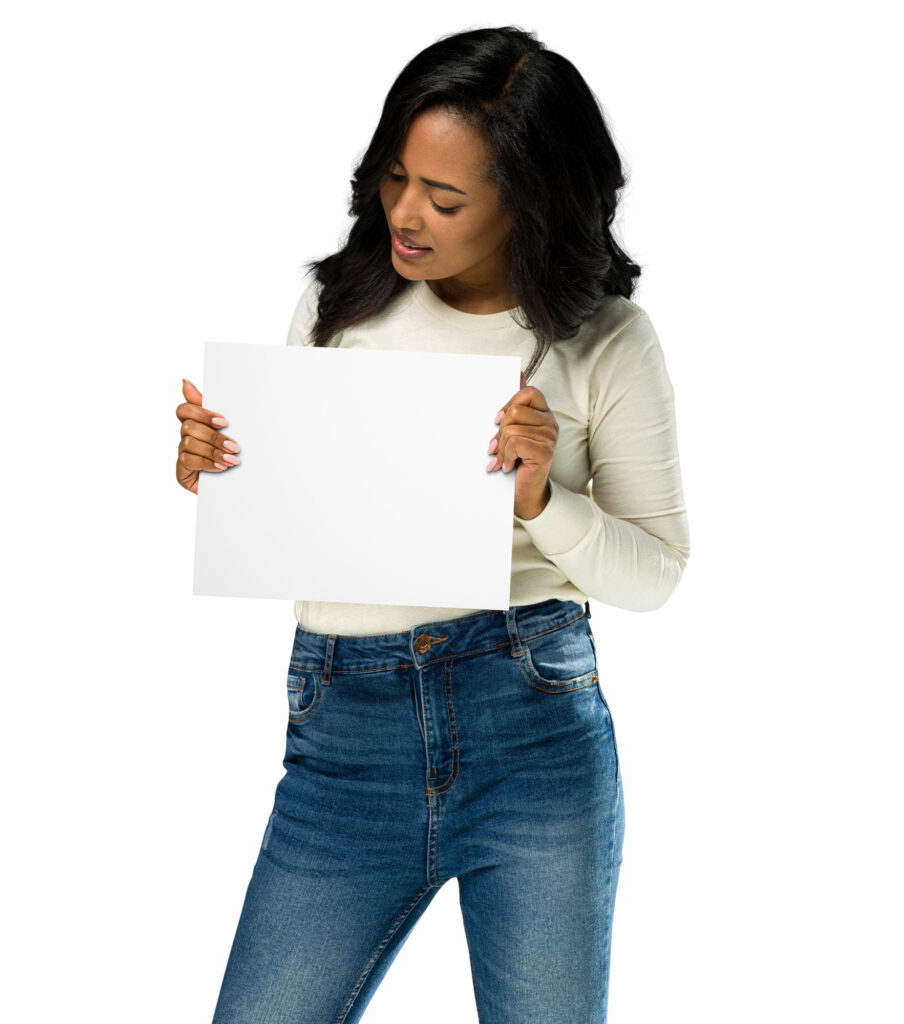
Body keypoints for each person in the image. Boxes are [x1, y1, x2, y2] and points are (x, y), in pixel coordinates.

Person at [175, 25, 690, 1024]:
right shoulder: (337, 305)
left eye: (445, 199)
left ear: (528, 201)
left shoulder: (607, 341)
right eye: (394, 177)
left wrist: (541, 501)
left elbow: (657, 574)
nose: (406, 214)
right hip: (343, 738)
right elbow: (306, 516)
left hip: (531, 731)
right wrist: (218, 471)